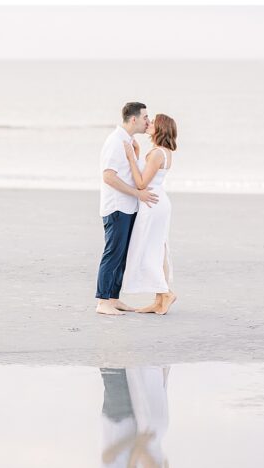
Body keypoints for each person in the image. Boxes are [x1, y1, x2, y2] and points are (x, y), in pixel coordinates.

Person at [95, 102, 160, 316]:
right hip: (116, 207)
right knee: (113, 253)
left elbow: (129, 172)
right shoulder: (115, 142)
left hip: (128, 207)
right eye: (145, 118)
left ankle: (114, 297)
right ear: (134, 119)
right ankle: (102, 301)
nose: (148, 122)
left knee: (123, 254)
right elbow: (109, 176)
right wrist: (137, 194)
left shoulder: (128, 141)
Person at [121, 114, 179, 315]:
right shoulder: (164, 152)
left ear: (160, 128)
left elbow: (141, 183)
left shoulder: (156, 154)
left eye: (153, 122)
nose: (149, 124)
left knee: (149, 249)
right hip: (157, 200)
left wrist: (130, 158)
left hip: (152, 202)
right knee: (157, 248)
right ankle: (159, 299)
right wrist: (137, 154)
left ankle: (165, 293)